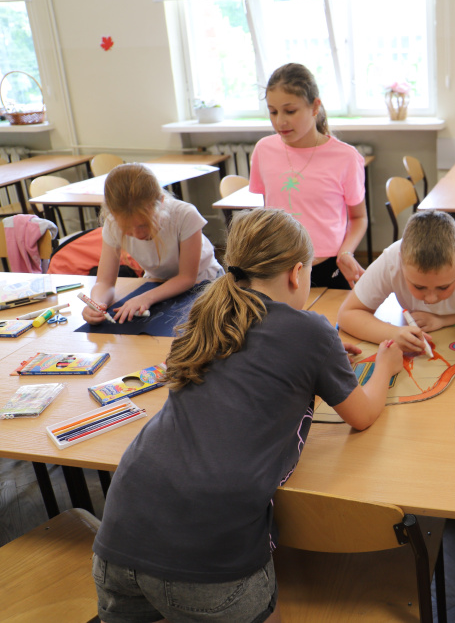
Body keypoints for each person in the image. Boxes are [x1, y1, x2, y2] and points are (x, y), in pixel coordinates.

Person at [92, 208, 403, 623]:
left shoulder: (205, 314)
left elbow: (249, 371)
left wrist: (319, 364)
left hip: (119, 533)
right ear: (297, 273)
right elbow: (361, 415)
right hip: (208, 554)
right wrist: (386, 366)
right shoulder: (312, 330)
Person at [249, 62, 367, 289]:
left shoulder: (346, 157)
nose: (280, 121)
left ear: (315, 107)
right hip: (280, 270)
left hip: (329, 268)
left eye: (290, 111)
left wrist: (346, 252)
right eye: (273, 112)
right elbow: (269, 210)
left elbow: (358, 218)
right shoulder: (263, 150)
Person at [338, 210, 455, 354]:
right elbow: (347, 314)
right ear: (400, 260)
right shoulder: (391, 260)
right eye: (419, 287)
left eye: (443, 287)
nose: (430, 299)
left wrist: (445, 320)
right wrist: (393, 333)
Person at [83, 163, 223, 324]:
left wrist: (146, 298)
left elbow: (186, 278)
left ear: (161, 202)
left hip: (202, 282)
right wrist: (97, 303)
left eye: (143, 225)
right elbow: (104, 282)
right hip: (156, 284)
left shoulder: (185, 215)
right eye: (127, 228)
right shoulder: (112, 224)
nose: (138, 234)